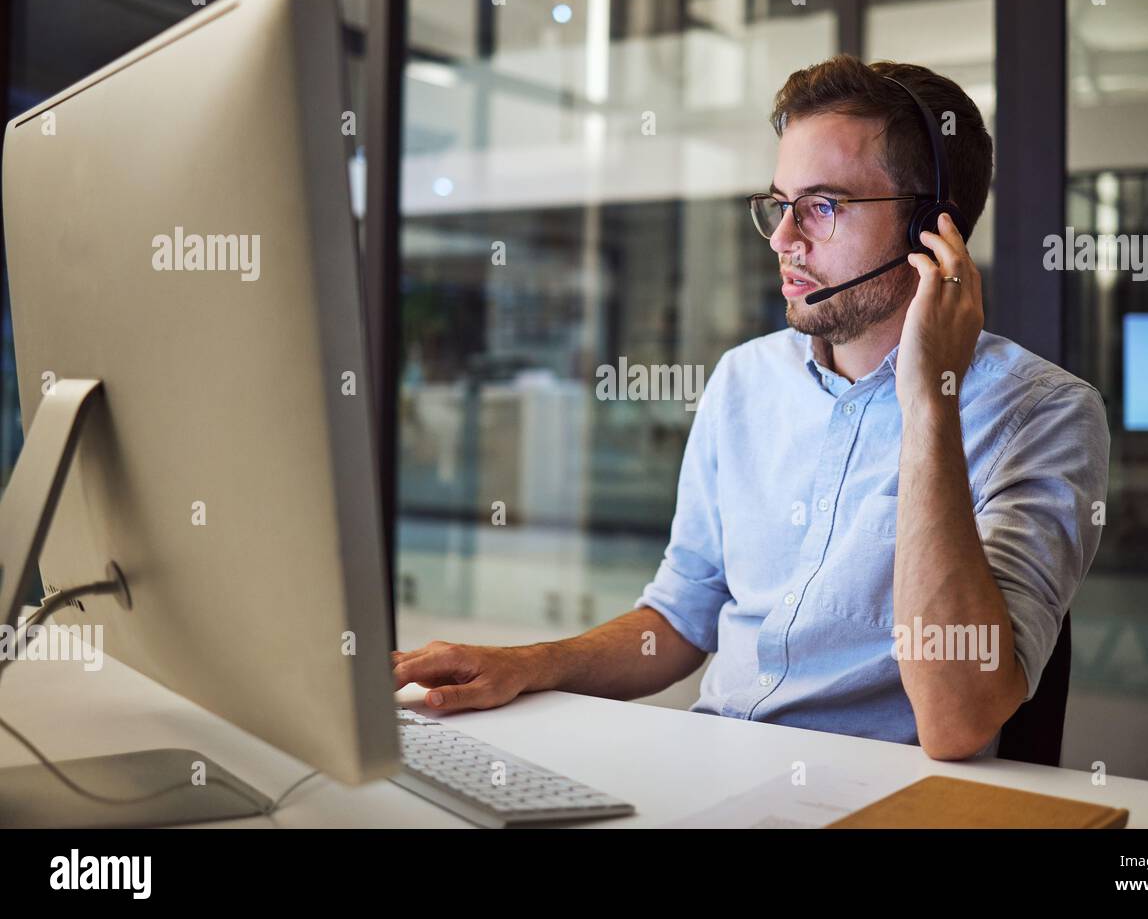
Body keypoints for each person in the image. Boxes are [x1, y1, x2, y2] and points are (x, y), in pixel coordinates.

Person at [392, 56, 1110, 760]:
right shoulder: (745, 379)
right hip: (715, 775)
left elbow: (959, 719)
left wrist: (929, 403)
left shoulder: (1042, 415)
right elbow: (680, 616)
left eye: (822, 207)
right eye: (778, 205)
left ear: (933, 228)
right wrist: (528, 664)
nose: (783, 239)